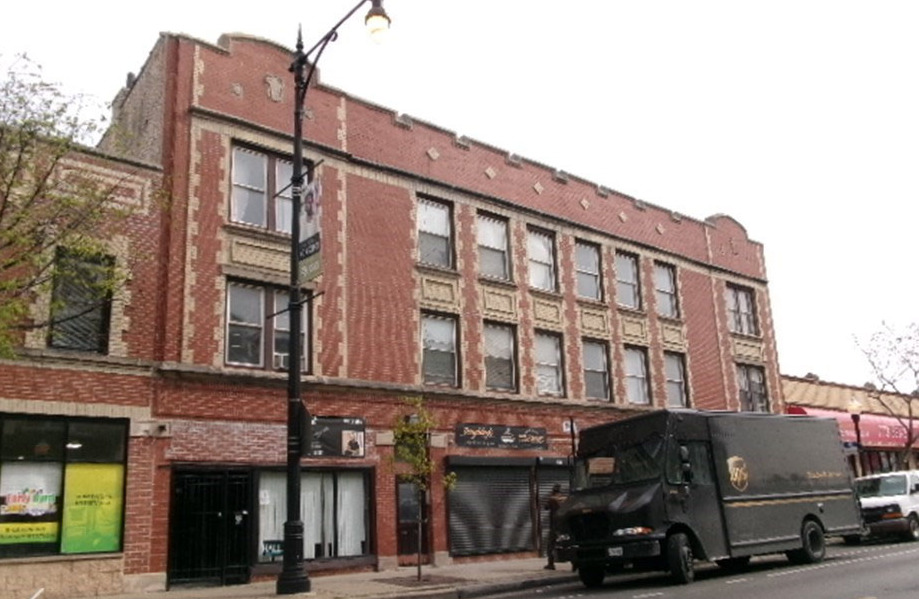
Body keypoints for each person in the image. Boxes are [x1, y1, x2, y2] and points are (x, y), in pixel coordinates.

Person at [544, 483, 566, 570]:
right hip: (563, 525)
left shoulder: (552, 499)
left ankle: (551, 564)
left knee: (551, 545)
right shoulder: (564, 499)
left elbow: (546, 507)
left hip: (554, 525)